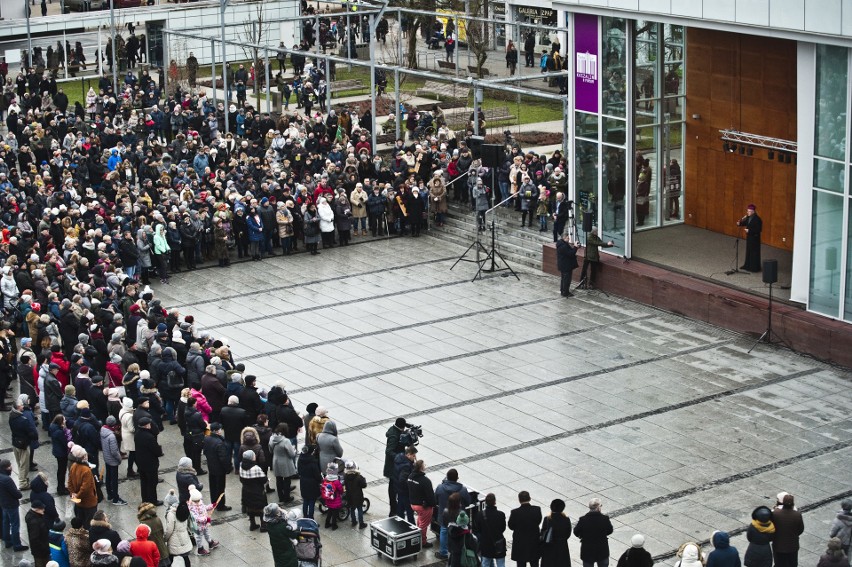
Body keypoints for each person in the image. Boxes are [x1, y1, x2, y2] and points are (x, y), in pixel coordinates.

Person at [435, 468, 471, 558]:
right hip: (459, 516)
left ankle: (443, 552)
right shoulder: (462, 490)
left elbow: (435, 500)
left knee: (443, 531)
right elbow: (468, 502)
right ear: (457, 478)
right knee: (460, 534)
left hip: (444, 515)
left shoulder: (440, 487)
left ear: (447, 477)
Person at [574, 498, 614, 567]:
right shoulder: (604, 519)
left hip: (587, 550)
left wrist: (583, 535)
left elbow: (576, 532)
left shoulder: (583, 520)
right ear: (598, 507)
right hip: (602, 550)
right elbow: (610, 530)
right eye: (601, 506)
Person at [203, 422, 233, 512]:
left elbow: (205, 451)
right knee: (220, 488)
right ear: (217, 431)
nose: (221, 430)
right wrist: (228, 468)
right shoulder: (219, 443)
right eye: (220, 429)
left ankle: (214, 502)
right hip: (219, 469)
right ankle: (221, 505)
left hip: (211, 466)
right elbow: (223, 458)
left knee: (213, 486)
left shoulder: (207, 438)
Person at [10, 396, 38, 490]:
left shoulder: (11, 416)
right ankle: (23, 483)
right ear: (18, 407)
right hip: (23, 444)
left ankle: (24, 479)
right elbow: (31, 433)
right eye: (21, 405)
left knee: (19, 463)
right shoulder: (23, 420)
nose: (23, 406)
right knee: (24, 464)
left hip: (15, 442)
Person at [407, 459, 436, 550]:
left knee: (420, 520)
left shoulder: (410, 476)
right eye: (424, 465)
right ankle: (422, 542)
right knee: (423, 525)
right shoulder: (425, 481)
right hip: (423, 506)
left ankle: (417, 534)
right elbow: (430, 496)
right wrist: (432, 504)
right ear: (421, 468)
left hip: (413, 504)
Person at [66, 445, 97, 528]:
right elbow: (85, 488)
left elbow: (69, 482)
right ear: (83, 457)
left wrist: (73, 494)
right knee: (88, 524)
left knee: (80, 521)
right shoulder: (86, 470)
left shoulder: (73, 466)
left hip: (78, 502)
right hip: (88, 502)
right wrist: (77, 497)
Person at [134, 416, 163, 506]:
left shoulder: (137, 433)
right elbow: (157, 451)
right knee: (152, 482)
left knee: (144, 481)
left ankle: (145, 499)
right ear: (146, 426)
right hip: (150, 463)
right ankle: (153, 500)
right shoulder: (149, 437)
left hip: (140, 461)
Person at [508, 490, 542, 567]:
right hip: (534, 543)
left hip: (520, 544)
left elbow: (511, 526)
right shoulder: (537, 509)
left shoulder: (515, 512)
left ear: (519, 500)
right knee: (534, 564)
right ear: (529, 498)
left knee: (520, 564)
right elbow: (538, 521)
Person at [384, 417, 408, 517]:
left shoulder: (395, 431)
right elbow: (389, 451)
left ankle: (396, 507)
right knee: (393, 488)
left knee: (395, 486)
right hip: (393, 466)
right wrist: (399, 457)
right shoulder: (394, 435)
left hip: (396, 465)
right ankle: (393, 509)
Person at [475, 493, 507, 567]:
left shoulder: (480, 515)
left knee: (485, 563)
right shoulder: (501, 514)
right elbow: (503, 528)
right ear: (494, 502)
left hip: (486, 544)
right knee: (501, 564)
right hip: (499, 543)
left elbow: (478, 529)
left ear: (485, 503)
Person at [239, 450, 268, 532]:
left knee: (250, 507)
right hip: (257, 491)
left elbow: (241, 479)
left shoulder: (241, 465)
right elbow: (264, 479)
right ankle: (263, 525)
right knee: (261, 507)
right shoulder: (256, 468)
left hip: (246, 490)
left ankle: (252, 524)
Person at [773, 493, 804, 567]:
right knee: (792, 564)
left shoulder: (776, 513)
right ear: (793, 503)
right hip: (792, 546)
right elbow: (801, 529)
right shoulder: (797, 515)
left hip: (778, 546)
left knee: (779, 564)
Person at [269, 423, 297, 504]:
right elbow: (292, 454)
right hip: (285, 462)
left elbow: (270, 450)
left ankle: (280, 497)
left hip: (276, 461)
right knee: (287, 480)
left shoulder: (272, 438)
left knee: (279, 479)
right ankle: (287, 497)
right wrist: (294, 450)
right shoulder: (286, 441)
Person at [541, 499, 571, 567]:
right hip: (562, 546)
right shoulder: (566, 519)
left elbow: (543, 532)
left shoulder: (547, 519)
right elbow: (568, 534)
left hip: (549, 547)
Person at [298, 445, 322, 519]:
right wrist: (321, 480)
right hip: (312, 484)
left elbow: (298, 471)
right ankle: (311, 518)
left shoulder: (300, 459)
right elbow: (317, 475)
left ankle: (305, 517)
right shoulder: (312, 462)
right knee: (312, 501)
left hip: (303, 482)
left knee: (305, 500)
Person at [737, 204, 763, 272]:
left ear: (753, 211)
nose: (747, 212)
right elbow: (745, 223)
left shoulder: (757, 219)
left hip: (755, 239)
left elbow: (758, 230)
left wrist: (750, 230)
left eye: (749, 211)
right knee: (748, 251)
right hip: (749, 238)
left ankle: (754, 268)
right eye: (747, 211)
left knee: (754, 253)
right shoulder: (748, 217)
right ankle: (747, 265)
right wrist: (739, 223)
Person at [343, 460, 367, 529]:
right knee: (359, 509)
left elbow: (346, 485)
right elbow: (364, 485)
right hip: (358, 496)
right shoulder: (359, 477)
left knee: (352, 509)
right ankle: (361, 523)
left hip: (349, 495)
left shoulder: (346, 477)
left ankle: (354, 521)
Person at [26, 500, 50, 566]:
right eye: (42, 509)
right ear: (36, 510)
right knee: (41, 563)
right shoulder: (34, 522)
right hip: (40, 550)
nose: (43, 510)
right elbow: (34, 538)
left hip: (39, 549)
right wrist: (44, 548)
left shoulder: (33, 516)